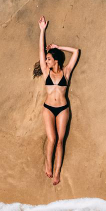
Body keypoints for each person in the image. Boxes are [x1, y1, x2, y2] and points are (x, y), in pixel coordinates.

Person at [37, 15, 79, 185]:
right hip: (48, 108)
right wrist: (42, 31)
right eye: (46, 59)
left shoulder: (66, 72)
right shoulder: (46, 72)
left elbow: (76, 52)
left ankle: (57, 172)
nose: (46, 61)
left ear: (55, 60)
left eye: (49, 58)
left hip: (62, 109)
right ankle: (48, 163)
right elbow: (40, 51)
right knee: (52, 139)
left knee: (61, 141)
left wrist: (58, 47)